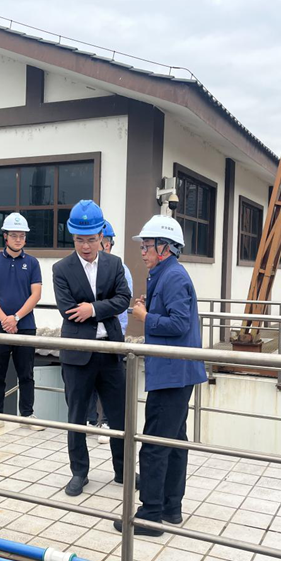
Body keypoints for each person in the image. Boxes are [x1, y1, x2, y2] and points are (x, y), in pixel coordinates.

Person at [114, 215, 207, 536]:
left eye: (147, 246)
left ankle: (150, 514)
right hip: (176, 371)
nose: (142, 251)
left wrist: (145, 316)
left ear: (165, 248)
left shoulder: (173, 277)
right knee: (174, 441)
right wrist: (149, 309)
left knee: (154, 443)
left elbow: (179, 324)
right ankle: (171, 507)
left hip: (172, 373)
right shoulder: (166, 274)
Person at [52, 200, 132, 497]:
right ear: (72, 238)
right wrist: (100, 308)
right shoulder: (61, 268)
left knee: (120, 415)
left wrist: (93, 309)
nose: (85, 246)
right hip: (77, 352)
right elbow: (67, 309)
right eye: (79, 240)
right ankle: (79, 473)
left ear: (101, 236)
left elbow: (124, 298)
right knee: (76, 416)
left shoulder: (114, 264)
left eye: (91, 239)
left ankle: (123, 470)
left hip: (109, 350)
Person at [0, 213, 44, 433]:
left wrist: (15, 318)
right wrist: (4, 319)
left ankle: (27, 415)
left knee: (26, 374)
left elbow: (36, 294)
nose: (18, 239)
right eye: (14, 235)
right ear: (5, 236)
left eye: (22, 236)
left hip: (25, 326)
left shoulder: (32, 263)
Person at [85, 220, 133, 445]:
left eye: (105, 242)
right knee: (89, 378)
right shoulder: (84, 267)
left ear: (110, 244)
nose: (102, 246)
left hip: (113, 333)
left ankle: (105, 423)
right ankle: (90, 420)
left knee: (110, 382)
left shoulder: (119, 268)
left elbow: (122, 301)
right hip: (88, 334)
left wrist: (95, 309)